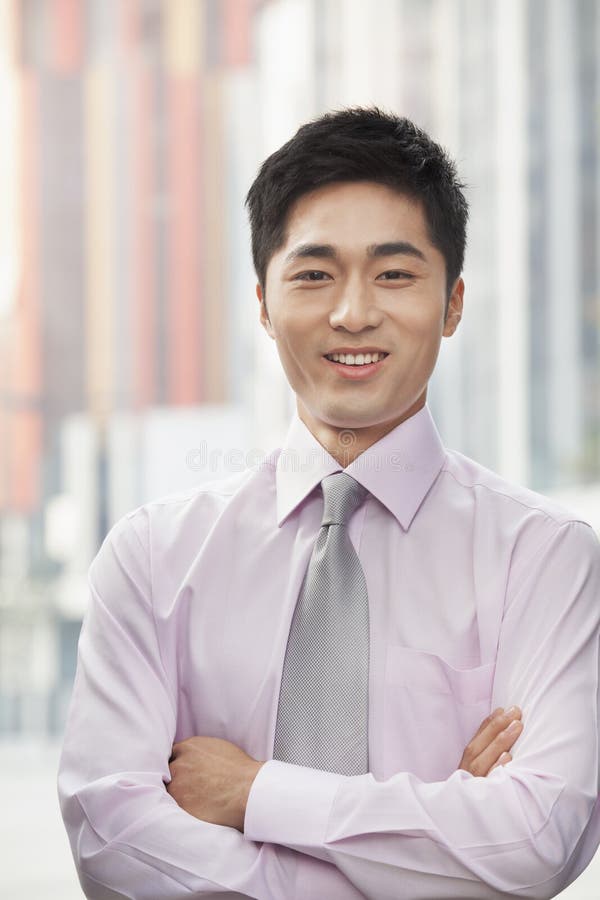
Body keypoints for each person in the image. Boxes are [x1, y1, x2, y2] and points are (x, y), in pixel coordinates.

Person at [58, 107, 600, 900]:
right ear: (264, 304)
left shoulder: (547, 557)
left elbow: (536, 835)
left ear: (452, 304)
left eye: (394, 274)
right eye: (314, 274)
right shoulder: (151, 559)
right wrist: (431, 848)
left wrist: (255, 796)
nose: (353, 313)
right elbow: (112, 837)